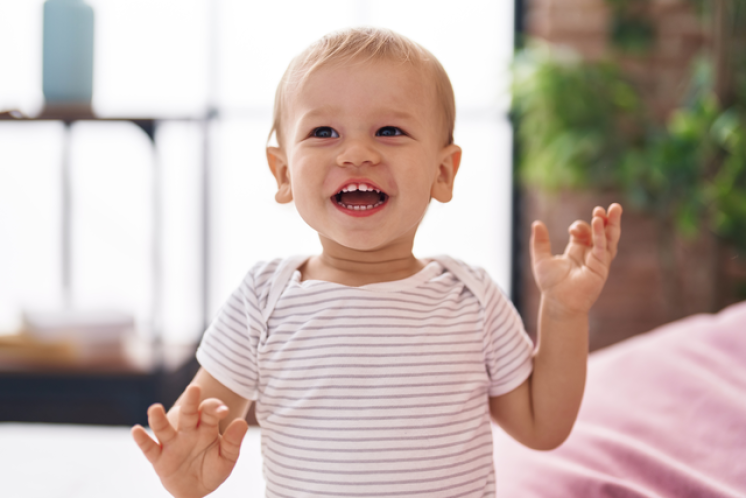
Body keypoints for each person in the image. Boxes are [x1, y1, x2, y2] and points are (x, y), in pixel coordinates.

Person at [131, 27, 623, 498]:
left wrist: (563, 312)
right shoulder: (264, 299)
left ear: (443, 171)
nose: (357, 153)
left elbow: (543, 426)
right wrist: (186, 472)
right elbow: (199, 430)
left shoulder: (470, 297)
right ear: (282, 172)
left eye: (390, 130)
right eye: (324, 131)